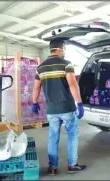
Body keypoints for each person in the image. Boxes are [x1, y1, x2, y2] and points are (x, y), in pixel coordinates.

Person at [31, 38, 87, 175]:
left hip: (51, 110)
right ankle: (72, 165)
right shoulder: (66, 65)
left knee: (53, 137)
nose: (65, 52)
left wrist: (34, 102)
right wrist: (79, 103)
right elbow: (73, 84)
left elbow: (36, 87)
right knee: (72, 136)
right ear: (60, 49)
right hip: (67, 108)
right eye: (64, 49)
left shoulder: (41, 68)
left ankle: (53, 167)